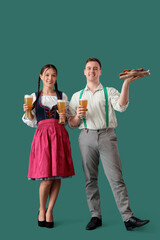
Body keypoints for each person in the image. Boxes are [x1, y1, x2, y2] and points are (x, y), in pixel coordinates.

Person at [68, 58, 149, 231]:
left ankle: (128, 218)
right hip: (86, 136)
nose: (92, 71)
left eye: (95, 68)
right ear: (84, 71)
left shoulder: (109, 91)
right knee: (90, 179)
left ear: (100, 72)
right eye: (89, 68)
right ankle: (95, 216)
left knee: (116, 178)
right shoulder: (77, 96)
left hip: (107, 135)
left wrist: (126, 83)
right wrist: (77, 116)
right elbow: (72, 124)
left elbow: (121, 106)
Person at [22, 64, 75, 228]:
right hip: (43, 136)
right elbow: (31, 122)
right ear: (40, 76)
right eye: (47, 75)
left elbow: (67, 122)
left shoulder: (62, 95)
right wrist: (27, 111)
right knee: (46, 177)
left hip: (59, 135)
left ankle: (50, 211)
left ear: (56, 78)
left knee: (57, 175)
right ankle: (41, 209)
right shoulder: (34, 96)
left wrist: (64, 116)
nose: (50, 78)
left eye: (53, 75)